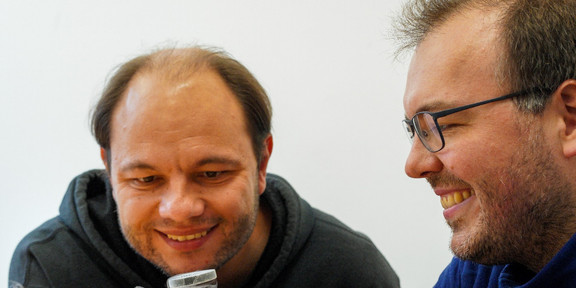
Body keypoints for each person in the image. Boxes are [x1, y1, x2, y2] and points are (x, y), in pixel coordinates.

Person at [9, 46, 399, 288]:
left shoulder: (348, 271)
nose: (179, 208)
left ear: (262, 162)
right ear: (109, 173)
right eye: (146, 179)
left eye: (212, 174)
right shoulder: (54, 266)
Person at [394, 0, 576, 286]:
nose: (414, 165)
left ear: (569, 119)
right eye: (415, 129)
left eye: (443, 125)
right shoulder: (476, 274)